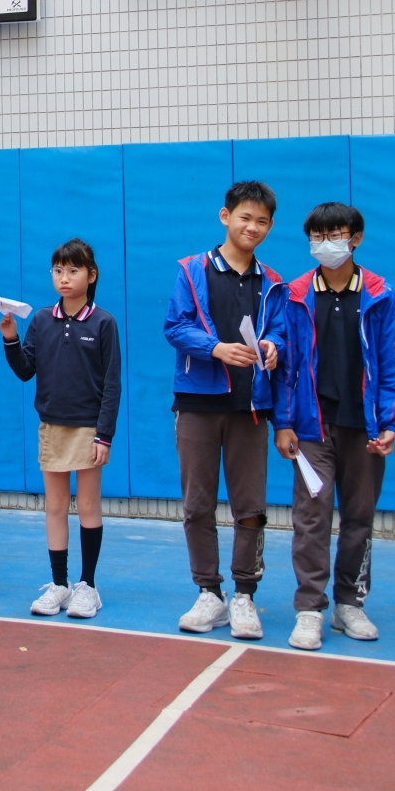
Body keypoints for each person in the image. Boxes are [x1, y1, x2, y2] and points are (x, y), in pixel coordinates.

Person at [272, 203, 395, 651]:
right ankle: (310, 608)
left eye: (335, 235)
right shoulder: (294, 295)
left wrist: (390, 421)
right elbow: (285, 366)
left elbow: (393, 360)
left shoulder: (380, 294)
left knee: (359, 517)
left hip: (364, 427)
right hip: (312, 427)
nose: (325, 243)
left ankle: (350, 603)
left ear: (356, 239)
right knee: (311, 518)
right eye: (317, 236)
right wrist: (283, 423)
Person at [163, 180, 283, 639]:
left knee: (250, 505)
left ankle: (244, 595)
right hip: (197, 403)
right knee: (197, 503)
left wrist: (273, 346)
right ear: (225, 216)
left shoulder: (273, 282)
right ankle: (209, 592)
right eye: (245, 217)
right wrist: (215, 349)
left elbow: (282, 331)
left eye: (262, 221)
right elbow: (175, 327)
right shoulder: (192, 270)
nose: (253, 227)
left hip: (250, 405)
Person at [3, 238, 120, 620]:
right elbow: (25, 370)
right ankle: (59, 583)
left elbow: (112, 384)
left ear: (91, 275)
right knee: (54, 507)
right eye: (58, 270)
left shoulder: (103, 323)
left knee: (87, 506)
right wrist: (10, 338)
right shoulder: (41, 320)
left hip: (88, 429)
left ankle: (88, 586)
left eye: (73, 270)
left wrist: (104, 435)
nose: (64, 278)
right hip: (51, 426)